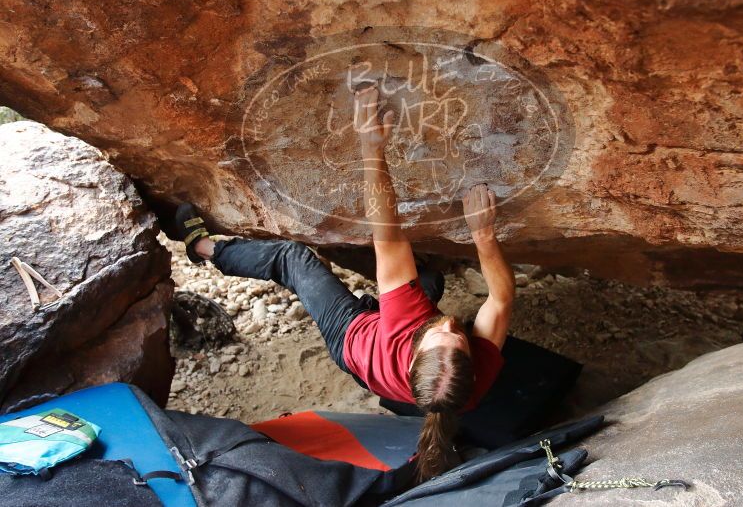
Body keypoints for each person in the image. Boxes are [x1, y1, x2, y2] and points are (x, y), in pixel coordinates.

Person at [175, 85, 515, 481]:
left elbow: (385, 231)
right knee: (429, 279)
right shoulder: (465, 382)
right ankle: (379, 297)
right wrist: (484, 236)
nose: (447, 325)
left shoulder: (406, 325)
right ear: (472, 362)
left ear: (415, 350)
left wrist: (372, 147)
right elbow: (502, 300)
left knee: (292, 258)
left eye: (438, 335)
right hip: (384, 350)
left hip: (351, 337)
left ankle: (200, 248)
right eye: (457, 335)